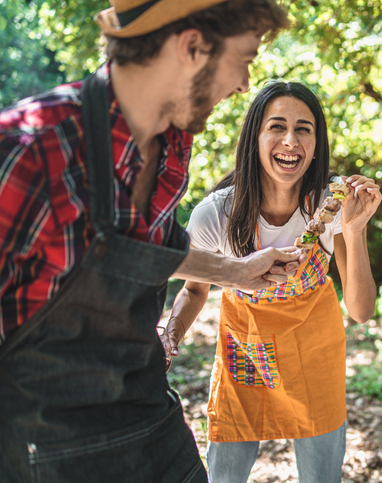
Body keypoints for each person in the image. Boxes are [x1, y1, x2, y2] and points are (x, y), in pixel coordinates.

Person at [0, 1, 296, 481]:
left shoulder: (173, 142)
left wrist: (234, 272)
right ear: (193, 46)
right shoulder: (33, 151)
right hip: (47, 451)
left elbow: (145, 245)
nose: (244, 84)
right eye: (244, 58)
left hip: (151, 422)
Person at [161, 81, 381, 483]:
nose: (290, 140)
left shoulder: (333, 206)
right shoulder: (216, 214)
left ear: (317, 143)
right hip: (245, 351)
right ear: (255, 137)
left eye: (304, 129)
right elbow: (194, 288)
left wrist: (354, 229)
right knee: (225, 476)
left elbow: (362, 311)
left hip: (314, 354)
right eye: (277, 126)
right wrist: (171, 334)